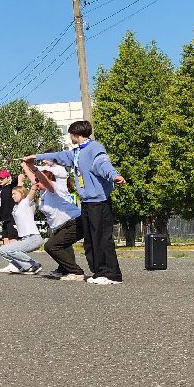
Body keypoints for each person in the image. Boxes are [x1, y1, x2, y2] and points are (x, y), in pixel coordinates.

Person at [28, 120, 126, 284]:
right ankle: (98, 272)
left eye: (70, 135)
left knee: (102, 238)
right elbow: (58, 156)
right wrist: (36, 157)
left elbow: (103, 164)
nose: (70, 138)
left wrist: (114, 175)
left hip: (99, 201)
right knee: (90, 239)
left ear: (75, 134)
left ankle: (111, 274)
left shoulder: (94, 148)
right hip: (87, 202)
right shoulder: (77, 152)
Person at [28, 162, 84, 281]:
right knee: (63, 246)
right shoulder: (44, 193)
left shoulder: (54, 188)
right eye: (36, 180)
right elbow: (35, 179)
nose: (36, 182)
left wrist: (34, 168)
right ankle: (64, 270)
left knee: (51, 246)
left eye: (39, 180)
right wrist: (25, 166)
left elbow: (43, 179)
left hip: (74, 223)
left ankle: (76, 272)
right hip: (62, 226)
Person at [0, 172, 43, 275]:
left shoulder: (27, 203)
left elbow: (30, 191)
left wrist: (35, 184)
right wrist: (20, 182)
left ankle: (33, 264)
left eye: (14, 194)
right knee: (2, 251)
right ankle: (25, 267)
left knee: (11, 250)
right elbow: (19, 188)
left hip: (33, 238)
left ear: (22, 194)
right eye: (12, 194)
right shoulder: (16, 206)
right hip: (24, 238)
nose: (12, 196)